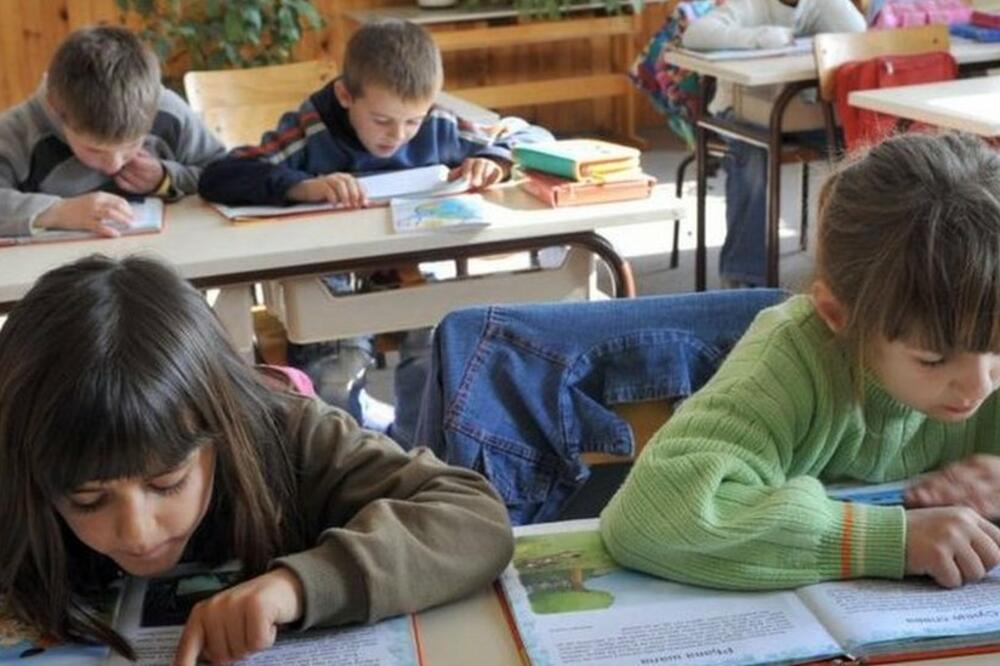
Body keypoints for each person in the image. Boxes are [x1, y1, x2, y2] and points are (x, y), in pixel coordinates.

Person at [0, 255, 513, 664]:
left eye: (167, 483)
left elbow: (475, 517)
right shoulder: (21, 464)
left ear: (219, 431)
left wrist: (298, 586)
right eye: (88, 499)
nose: (137, 533)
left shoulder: (292, 436)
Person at [601, 132, 1000, 591]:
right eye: (933, 359)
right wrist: (888, 539)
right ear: (838, 317)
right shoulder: (793, 357)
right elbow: (650, 512)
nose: (978, 385)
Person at [198, 19, 553, 443]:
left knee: (438, 347)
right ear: (345, 95)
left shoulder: (437, 124)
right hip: (331, 285)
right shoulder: (313, 129)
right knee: (336, 372)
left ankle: (414, 456)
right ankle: (343, 465)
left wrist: (494, 158)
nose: (398, 137)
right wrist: (300, 185)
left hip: (414, 277)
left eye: (411, 123)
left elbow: (532, 135)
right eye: (383, 120)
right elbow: (221, 175)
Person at [682, 0, 867, 287]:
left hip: (806, 116)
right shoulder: (750, 5)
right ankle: (743, 276)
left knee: (865, 149)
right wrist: (757, 38)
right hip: (742, 112)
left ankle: (855, 274)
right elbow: (695, 35)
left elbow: (860, 37)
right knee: (753, 155)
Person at [0, 26, 225, 239]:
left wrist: (165, 179)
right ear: (55, 109)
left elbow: (225, 172)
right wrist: (57, 211)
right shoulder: (17, 131)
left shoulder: (167, 110)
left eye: (131, 146)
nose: (114, 165)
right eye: (94, 150)